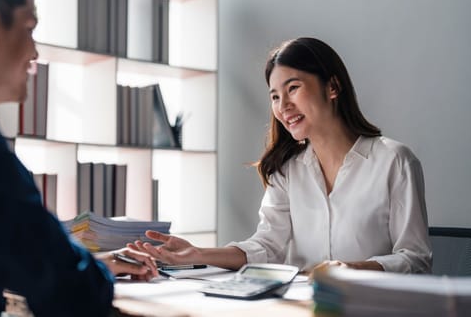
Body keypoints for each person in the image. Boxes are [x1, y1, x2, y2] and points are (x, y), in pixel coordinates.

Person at [0, 0, 157, 316]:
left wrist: (87, 264)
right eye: (29, 29)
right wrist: (91, 273)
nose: (34, 53)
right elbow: (66, 286)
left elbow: (4, 250)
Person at [128, 37, 432, 275]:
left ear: (333, 86)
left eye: (293, 88)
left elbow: (415, 259)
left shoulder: (394, 161)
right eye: (275, 96)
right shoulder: (286, 170)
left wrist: (356, 269)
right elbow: (267, 246)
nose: (283, 105)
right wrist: (199, 254)